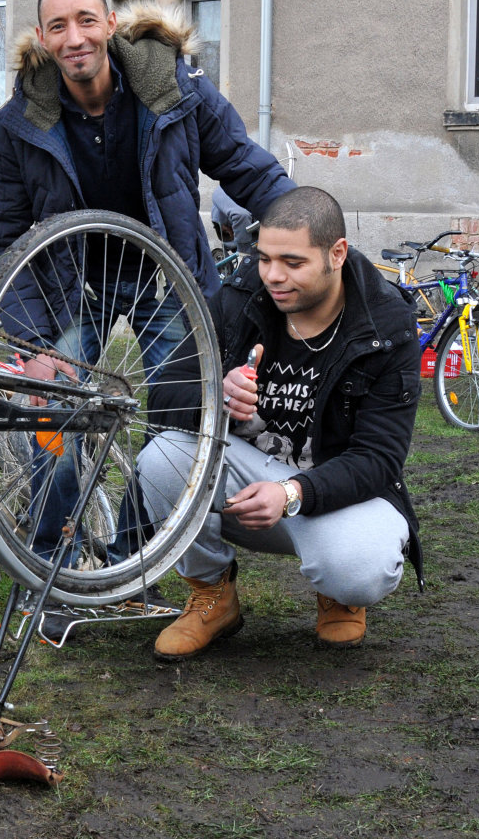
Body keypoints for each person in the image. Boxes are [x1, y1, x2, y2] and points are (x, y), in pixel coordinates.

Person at [0, 0, 295, 569]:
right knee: (54, 410)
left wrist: (306, 221)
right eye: (58, 26)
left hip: (163, 277)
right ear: (43, 40)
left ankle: (133, 561)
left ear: (110, 24)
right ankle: (53, 562)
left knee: (172, 421)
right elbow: (4, 235)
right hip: (69, 286)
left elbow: (242, 163)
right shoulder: (18, 123)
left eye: (86, 20)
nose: (75, 38)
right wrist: (30, 339)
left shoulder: (171, 88)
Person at [137, 186, 423, 660]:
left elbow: (379, 458)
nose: (273, 275)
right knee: (162, 457)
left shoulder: (385, 325)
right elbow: (162, 393)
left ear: (336, 254)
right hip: (245, 481)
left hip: (332, 494)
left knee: (362, 567)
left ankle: (340, 595)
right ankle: (212, 593)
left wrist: (293, 493)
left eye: (292, 262)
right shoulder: (238, 298)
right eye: (265, 258)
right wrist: (216, 397)